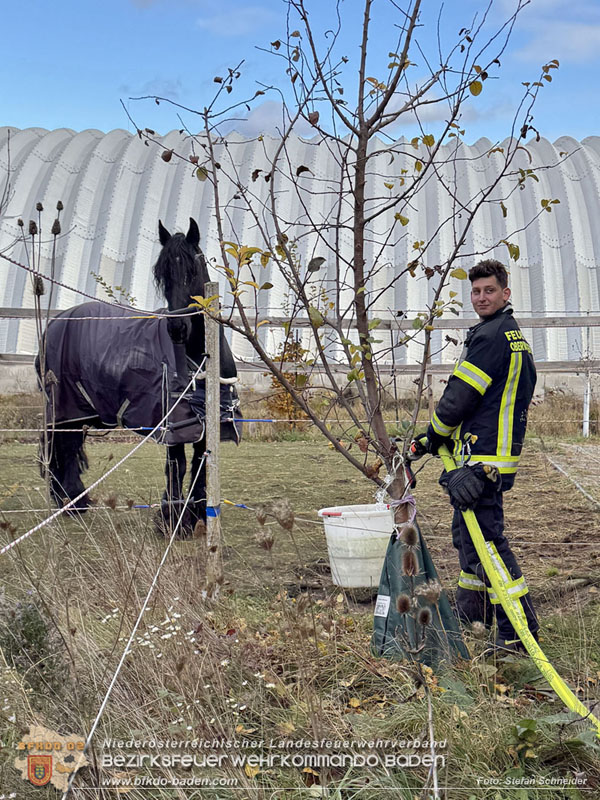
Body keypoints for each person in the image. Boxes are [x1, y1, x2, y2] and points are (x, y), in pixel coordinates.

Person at [419, 259, 539, 652]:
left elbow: (459, 400)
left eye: (489, 290)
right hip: (492, 456)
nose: (482, 297)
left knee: (487, 543)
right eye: (476, 291)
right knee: (468, 538)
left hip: (482, 460)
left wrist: (432, 436)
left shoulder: (490, 337)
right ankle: (472, 611)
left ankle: (518, 632)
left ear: (506, 294)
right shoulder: (511, 335)